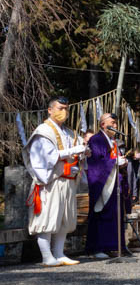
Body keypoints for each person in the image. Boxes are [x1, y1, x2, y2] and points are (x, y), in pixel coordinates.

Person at [23, 96, 88, 266]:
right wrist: (73, 150)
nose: (64, 112)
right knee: (47, 218)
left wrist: (83, 153)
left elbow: (75, 153)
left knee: (64, 219)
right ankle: (47, 256)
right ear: (50, 110)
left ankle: (59, 253)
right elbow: (49, 157)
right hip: (49, 181)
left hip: (67, 181)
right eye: (60, 108)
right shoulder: (43, 131)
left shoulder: (69, 132)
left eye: (66, 108)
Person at [86, 113, 132, 258]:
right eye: (112, 123)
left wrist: (122, 162)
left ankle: (114, 246)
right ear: (102, 124)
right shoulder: (96, 139)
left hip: (114, 181)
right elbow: (96, 163)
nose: (115, 126)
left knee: (115, 214)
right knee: (102, 213)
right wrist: (113, 162)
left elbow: (113, 158)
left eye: (116, 123)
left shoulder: (113, 141)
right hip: (103, 182)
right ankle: (98, 248)